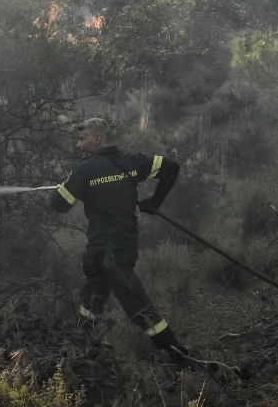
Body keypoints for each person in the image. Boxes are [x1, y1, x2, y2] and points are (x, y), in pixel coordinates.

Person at [48, 117, 188, 363]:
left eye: (82, 139)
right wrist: (154, 202)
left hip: (109, 253)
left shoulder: (83, 171)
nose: (79, 145)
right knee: (91, 300)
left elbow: (58, 205)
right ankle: (77, 354)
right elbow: (171, 166)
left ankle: (177, 355)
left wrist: (64, 187)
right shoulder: (131, 162)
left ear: (97, 139)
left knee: (137, 303)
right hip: (115, 249)